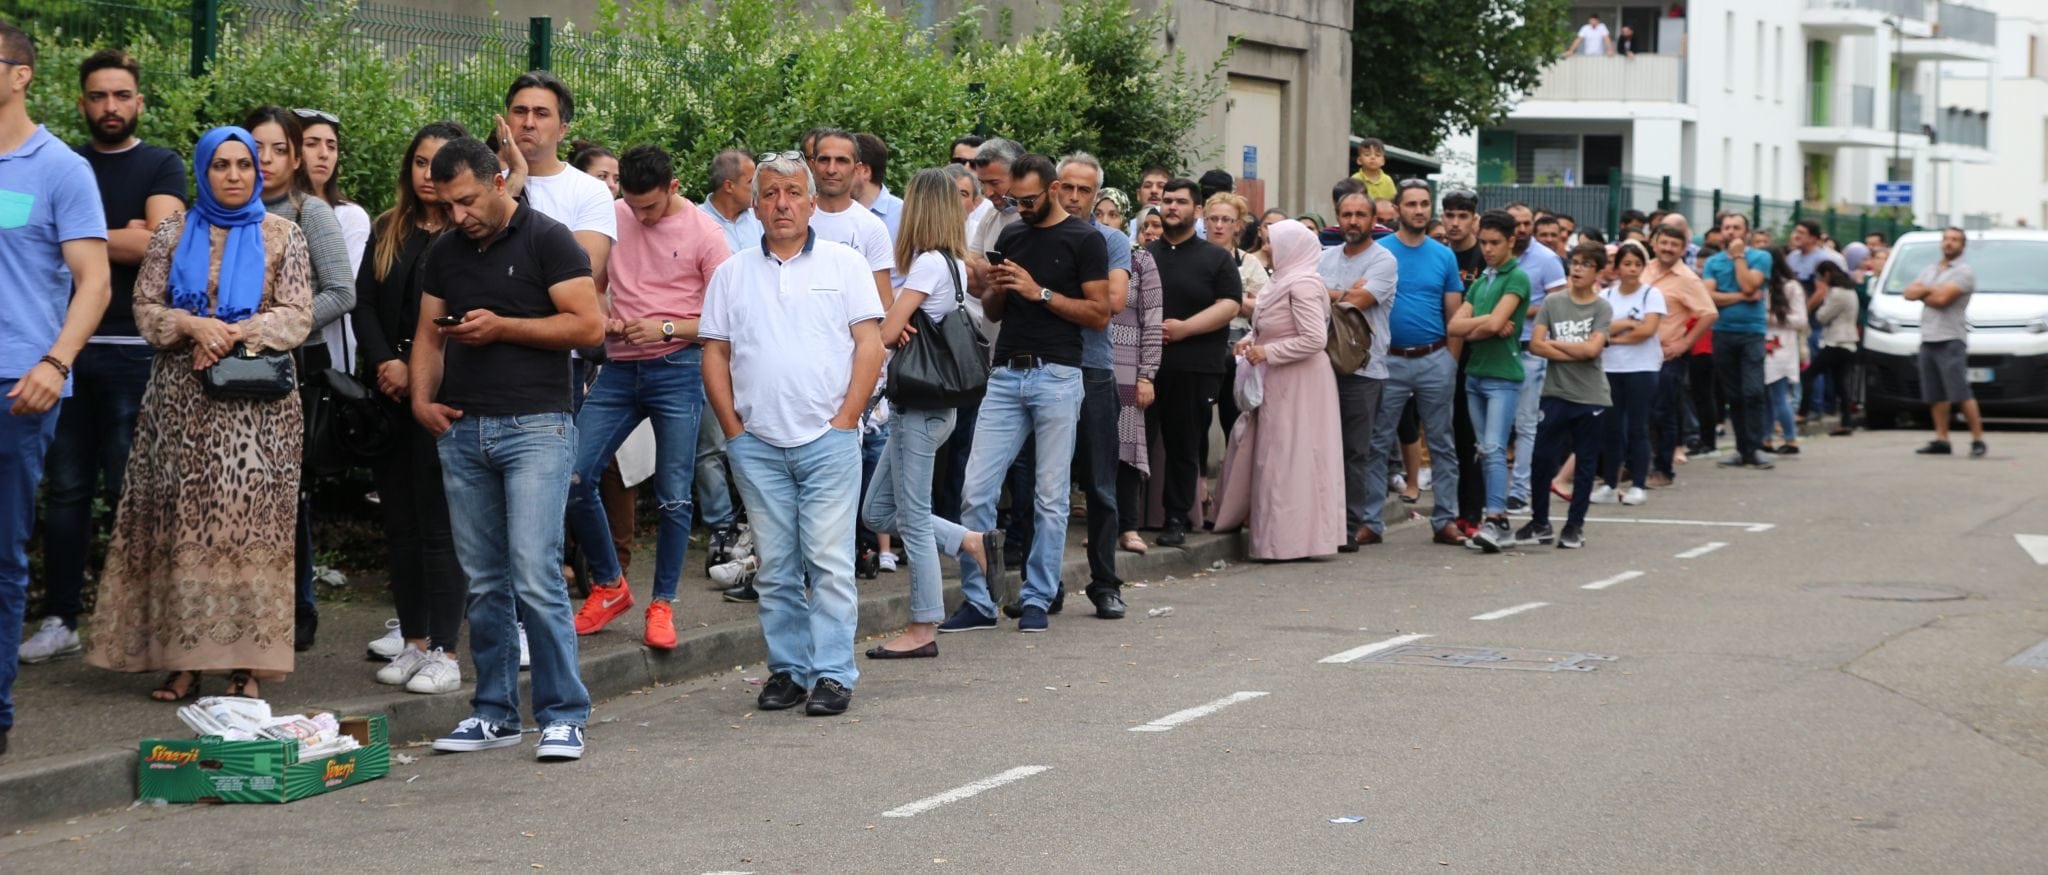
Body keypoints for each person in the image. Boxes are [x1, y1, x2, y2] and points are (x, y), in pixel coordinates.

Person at [85, 124, 310, 701]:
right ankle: (182, 663)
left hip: (258, 417)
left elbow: (296, 314)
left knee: (251, 533)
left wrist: (233, 332)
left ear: (256, 172)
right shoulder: (172, 232)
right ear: (203, 171)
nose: (233, 175)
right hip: (179, 408)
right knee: (179, 530)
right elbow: (144, 307)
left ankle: (246, 666)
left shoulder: (283, 234)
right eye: (220, 165)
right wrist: (191, 325)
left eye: (242, 165)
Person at [413, 137, 602, 760]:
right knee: (485, 580)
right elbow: (427, 336)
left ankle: (563, 712)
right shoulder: (445, 250)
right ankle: (493, 711)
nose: (458, 215)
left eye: (466, 201)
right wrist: (422, 401)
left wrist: (502, 326)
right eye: (447, 206)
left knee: (535, 572)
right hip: (464, 429)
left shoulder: (548, 238)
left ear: (499, 181)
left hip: (537, 427)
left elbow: (588, 325)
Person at [701, 153, 883, 713]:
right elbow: (715, 351)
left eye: (793, 193)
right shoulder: (731, 273)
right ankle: (788, 670)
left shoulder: (844, 263)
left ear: (810, 203)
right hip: (757, 445)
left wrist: (845, 420)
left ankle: (832, 674)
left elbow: (870, 346)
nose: (782, 203)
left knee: (829, 565)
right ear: (754, 204)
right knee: (776, 568)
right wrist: (734, 428)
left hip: (827, 442)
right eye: (771, 193)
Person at [21, 49, 180, 666]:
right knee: (63, 494)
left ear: (139, 102)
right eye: (97, 96)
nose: (109, 106)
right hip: (61, 353)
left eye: (120, 95)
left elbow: (162, 245)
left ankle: (136, 624)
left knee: (130, 493)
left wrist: (72, 232)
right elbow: (126, 240)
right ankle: (61, 618)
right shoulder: (63, 164)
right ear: (81, 101)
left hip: (132, 356)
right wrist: (122, 234)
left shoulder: (160, 163)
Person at [935, 154, 1109, 634]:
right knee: (975, 491)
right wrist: (995, 288)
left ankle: (1037, 597)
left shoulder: (1086, 238)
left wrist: (1042, 293)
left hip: (1057, 374)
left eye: (1028, 199)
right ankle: (979, 601)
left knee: (1051, 498)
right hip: (1006, 373)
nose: (1019, 207)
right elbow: (992, 313)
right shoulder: (1011, 234)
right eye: (1014, 198)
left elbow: (1099, 314)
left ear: (1054, 190)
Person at [565, 145, 731, 649]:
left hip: (677, 367)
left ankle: (662, 604)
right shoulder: (612, 217)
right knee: (572, 473)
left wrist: (664, 327)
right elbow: (587, 284)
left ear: (674, 187)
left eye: (652, 208)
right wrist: (604, 317)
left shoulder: (706, 232)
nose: (641, 217)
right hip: (616, 366)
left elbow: (726, 318)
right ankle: (612, 587)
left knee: (675, 494)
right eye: (633, 207)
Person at [0, 24, 111, 751]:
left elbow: (95, 281)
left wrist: (56, 362)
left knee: (3, 551)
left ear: (20, 76)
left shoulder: (59, 167)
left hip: (18, 385)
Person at [351, 121, 469, 693]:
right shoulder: (388, 228)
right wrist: (385, 364)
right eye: (420, 163)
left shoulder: (467, 232)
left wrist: (416, 371)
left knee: (440, 526)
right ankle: (415, 641)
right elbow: (364, 303)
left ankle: (446, 649)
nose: (429, 175)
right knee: (400, 524)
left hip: (444, 395)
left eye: (440, 164)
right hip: (389, 392)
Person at [242, 105, 357, 652]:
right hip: (222, 370)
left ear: (295, 155)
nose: (265, 161)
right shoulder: (223, 206)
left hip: (288, 371)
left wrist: (274, 325)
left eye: (278, 149)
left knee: (288, 497)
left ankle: (297, 607)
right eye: (255, 148)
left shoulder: (309, 212)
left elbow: (342, 292)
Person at [861, 169, 972, 658]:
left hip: (921, 409)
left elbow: (887, 332)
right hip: (928, 408)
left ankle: (923, 627)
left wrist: (887, 321)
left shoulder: (929, 264)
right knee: (878, 511)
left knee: (913, 518)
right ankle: (970, 541)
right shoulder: (954, 264)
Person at [1211, 218, 1343, 559]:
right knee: (1275, 456)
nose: (1267, 247)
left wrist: (1267, 351)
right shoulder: (1282, 280)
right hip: (1277, 379)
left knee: (1291, 459)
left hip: (1300, 383)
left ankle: (1291, 540)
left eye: (1272, 241)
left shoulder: (1303, 284)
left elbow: (1314, 339)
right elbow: (1271, 323)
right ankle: (1275, 536)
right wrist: (1252, 341)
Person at [1357, 180, 1466, 547]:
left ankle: (1445, 520)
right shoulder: (1379, 251)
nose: (1419, 210)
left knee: (1442, 444)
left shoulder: (1444, 255)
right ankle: (1371, 521)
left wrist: (1450, 361)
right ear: (1398, 209)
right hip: (1388, 361)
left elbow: (1454, 315)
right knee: (1377, 442)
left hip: (1435, 358)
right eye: (1411, 204)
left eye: (1424, 204)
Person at [1052, 152, 1131, 619]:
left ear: (1096, 194)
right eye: (1067, 187)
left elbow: (1114, 303)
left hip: (1094, 370)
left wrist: (1048, 294)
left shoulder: (1112, 240)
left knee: (1100, 484)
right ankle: (1046, 584)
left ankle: (1105, 583)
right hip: (1043, 367)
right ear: (1053, 187)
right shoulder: (1034, 234)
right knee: (1047, 487)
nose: (1075, 197)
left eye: (1085, 190)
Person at [1144, 177, 1243, 547]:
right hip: (1143, 369)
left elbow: (1230, 304)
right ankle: (1127, 520)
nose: (1172, 207)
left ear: (1196, 210)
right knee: (1134, 445)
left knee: (1184, 446)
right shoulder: (1144, 255)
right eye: (1167, 201)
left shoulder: (1216, 258)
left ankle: (1175, 518)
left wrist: (1185, 328)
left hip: (1194, 366)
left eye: (1181, 202)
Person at [1519, 245, 1613, 550]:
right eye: (1575, 263)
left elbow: (1592, 351)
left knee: (1585, 464)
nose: (1578, 269)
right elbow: (1535, 344)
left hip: (1590, 396)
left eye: (1587, 265)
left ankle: (1575, 526)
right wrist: (1576, 349)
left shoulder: (1602, 308)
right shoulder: (1553, 302)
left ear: (1598, 273)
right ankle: (1539, 522)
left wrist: (1557, 346)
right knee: (1541, 458)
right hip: (1555, 393)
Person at [1318, 192, 1397, 552]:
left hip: (1365, 368)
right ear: (1337, 217)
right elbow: (1308, 296)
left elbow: (1357, 303)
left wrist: (1327, 292)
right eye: (1346, 214)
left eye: (1360, 215)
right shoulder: (1323, 256)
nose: (1353, 221)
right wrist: (1341, 292)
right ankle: (1322, 523)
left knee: (1354, 451)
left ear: (1372, 220)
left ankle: (1350, 527)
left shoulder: (1384, 260)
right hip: (1320, 364)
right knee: (1321, 447)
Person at [1444, 211, 1526, 553]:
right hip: (1475, 375)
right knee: (1484, 450)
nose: (1488, 249)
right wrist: (1488, 321)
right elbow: (1453, 327)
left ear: (1511, 241)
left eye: (1495, 243)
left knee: (1493, 448)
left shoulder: (1517, 278)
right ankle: (1494, 519)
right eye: (1485, 243)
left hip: (1503, 377)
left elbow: (1493, 326)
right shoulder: (1480, 282)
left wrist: (1483, 324)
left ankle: (1496, 519)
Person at [1589, 241, 1666, 505]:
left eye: (1637, 264)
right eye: (1626, 264)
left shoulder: (1651, 295)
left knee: (1637, 427)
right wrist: (1622, 329)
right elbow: (1596, 327)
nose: (1631, 269)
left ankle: (1638, 485)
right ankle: (1610, 484)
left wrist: (1612, 338)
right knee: (1611, 429)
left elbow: (1647, 330)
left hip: (1641, 368)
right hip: (1611, 368)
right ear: (1617, 267)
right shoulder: (1606, 296)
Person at [293, 108, 370, 370]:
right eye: (311, 144)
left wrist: (273, 327)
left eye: (332, 146)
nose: (324, 154)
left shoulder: (350, 216)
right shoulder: (266, 211)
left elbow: (341, 293)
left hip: (327, 359)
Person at [1503, 203, 1565, 511]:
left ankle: (1520, 489)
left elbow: (1559, 305)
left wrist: (1514, 309)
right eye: (1517, 223)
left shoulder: (1547, 259)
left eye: (1528, 223)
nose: (1523, 229)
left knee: (1526, 424)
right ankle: (1493, 491)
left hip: (1530, 349)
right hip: (1497, 348)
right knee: (1497, 426)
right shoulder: (1494, 253)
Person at [1643, 223, 1715, 487]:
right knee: (1642, 412)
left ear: (1684, 249)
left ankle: (1663, 469)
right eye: (1664, 243)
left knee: (1663, 411)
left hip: (1668, 354)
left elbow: (1709, 313)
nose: (1668, 248)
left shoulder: (1688, 279)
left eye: (1674, 245)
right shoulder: (1644, 268)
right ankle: (1639, 466)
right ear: (1654, 243)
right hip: (1637, 352)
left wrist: (1684, 344)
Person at [1702, 212, 1775, 469]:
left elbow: (1748, 283)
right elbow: (1710, 297)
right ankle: (1741, 449)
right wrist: (1744, 298)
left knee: (1753, 391)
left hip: (1751, 332)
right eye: (1727, 227)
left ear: (1746, 232)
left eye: (1737, 227)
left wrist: (1738, 256)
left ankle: (1755, 447)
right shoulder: (1712, 262)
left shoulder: (1761, 257)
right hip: (1723, 332)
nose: (1731, 232)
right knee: (1733, 394)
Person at [1904, 227, 1982, 457]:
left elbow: (1942, 300)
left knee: (1960, 392)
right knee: (1934, 393)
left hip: (1951, 338)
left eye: (1955, 240)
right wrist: (1929, 288)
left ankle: (1977, 438)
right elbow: (1907, 292)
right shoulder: (1930, 269)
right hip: (1928, 336)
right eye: (1946, 239)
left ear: (1963, 245)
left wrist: (1924, 291)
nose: (1949, 243)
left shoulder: (1964, 272)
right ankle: (1942, 438)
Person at [1114, 228, 1164, 556]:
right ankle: (1101, 524)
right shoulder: (1088, 249)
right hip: (1090, 361)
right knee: (1095, 449)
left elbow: (1153, 317)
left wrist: (1147, 374)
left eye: (1114, 214)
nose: (1106, 220)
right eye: (1100, 213)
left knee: (1127, 448)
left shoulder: (1141, 258)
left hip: (1129, 365)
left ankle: (1128, 527)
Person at [805, 130, 893, 307]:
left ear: (858, 169)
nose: (831, 169)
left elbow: (883, 304)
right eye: (824, 160)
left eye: (841, 161)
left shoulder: (872, 227)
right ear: (812, 165)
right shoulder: (794, 219)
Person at [1206, 191, 1263, 439]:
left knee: (1234, 420)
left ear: (1238, 225)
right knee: (1199, 418)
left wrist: (1230, 299)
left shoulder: (1250, 263)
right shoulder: (1193, 256)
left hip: (1236, 346)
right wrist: (1240, 297)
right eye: (1213, 218)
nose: (1219, 225)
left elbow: (1262, 308)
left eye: (1226, 220)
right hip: (1201, 342)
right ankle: (1200, 477)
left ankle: (1233, 476)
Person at [1761, 247, 1808, 455]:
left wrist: (1770, 318)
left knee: (1779, 394)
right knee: (1766, 396)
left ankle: (1790, 438)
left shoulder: (1791, 287)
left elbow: (1801, 320)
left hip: (1781, 345)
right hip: (1761, 343)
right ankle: (1766, 438)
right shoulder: (1759, 285)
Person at [1809, 260, 1861, 437]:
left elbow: (1822, 316)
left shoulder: (1837, 293)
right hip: (1848, 343)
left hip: (1836, 342)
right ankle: (1846, 422)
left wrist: (1823, 298)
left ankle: (1803, 412)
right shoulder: (1850, 291)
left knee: (1809, 374)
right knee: (1841, 384)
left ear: (1827, 275)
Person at [700, 149, 762, 253]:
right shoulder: (697, 222)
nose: (758, 187)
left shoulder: (759, 217)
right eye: (751, 181)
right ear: (729, 186)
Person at [851, 131, 902, 239]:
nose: (835, 170)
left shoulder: (904, 215)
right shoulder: (834, 211)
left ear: (865, 171)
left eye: (844, 163)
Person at [1351, 138, 1395, 203]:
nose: (1373, 157)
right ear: (1359, 160)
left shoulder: (1388, 180)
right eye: (1367, 154)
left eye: (1377, 155)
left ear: (1383, 161)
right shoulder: (1355, 179)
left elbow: (1393, 202)